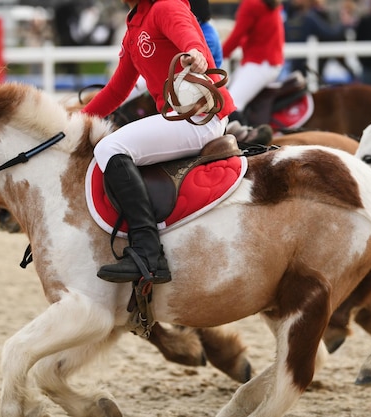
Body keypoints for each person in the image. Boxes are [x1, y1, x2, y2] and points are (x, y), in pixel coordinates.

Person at [80, 0, 237, 284]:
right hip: (180, 118)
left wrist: (197, 54)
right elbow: (116, 91)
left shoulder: (166, 6)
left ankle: (148, 251)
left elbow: (190, 39)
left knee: (110, 147)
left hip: (199, 117)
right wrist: (74, 122)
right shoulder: (133, 29)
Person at [222, 0, 284, 137]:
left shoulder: (251, 4)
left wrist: (217, 56)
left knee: (231, 104)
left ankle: (246, 142)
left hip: (259, 62)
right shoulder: (265, 3)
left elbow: (237, 36)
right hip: (268, 62)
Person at [284, 0, 355, 77]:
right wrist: (343, 24)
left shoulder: (289, 18)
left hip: (294, 68)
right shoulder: (308, 18)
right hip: (306, 68)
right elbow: (331, 35)